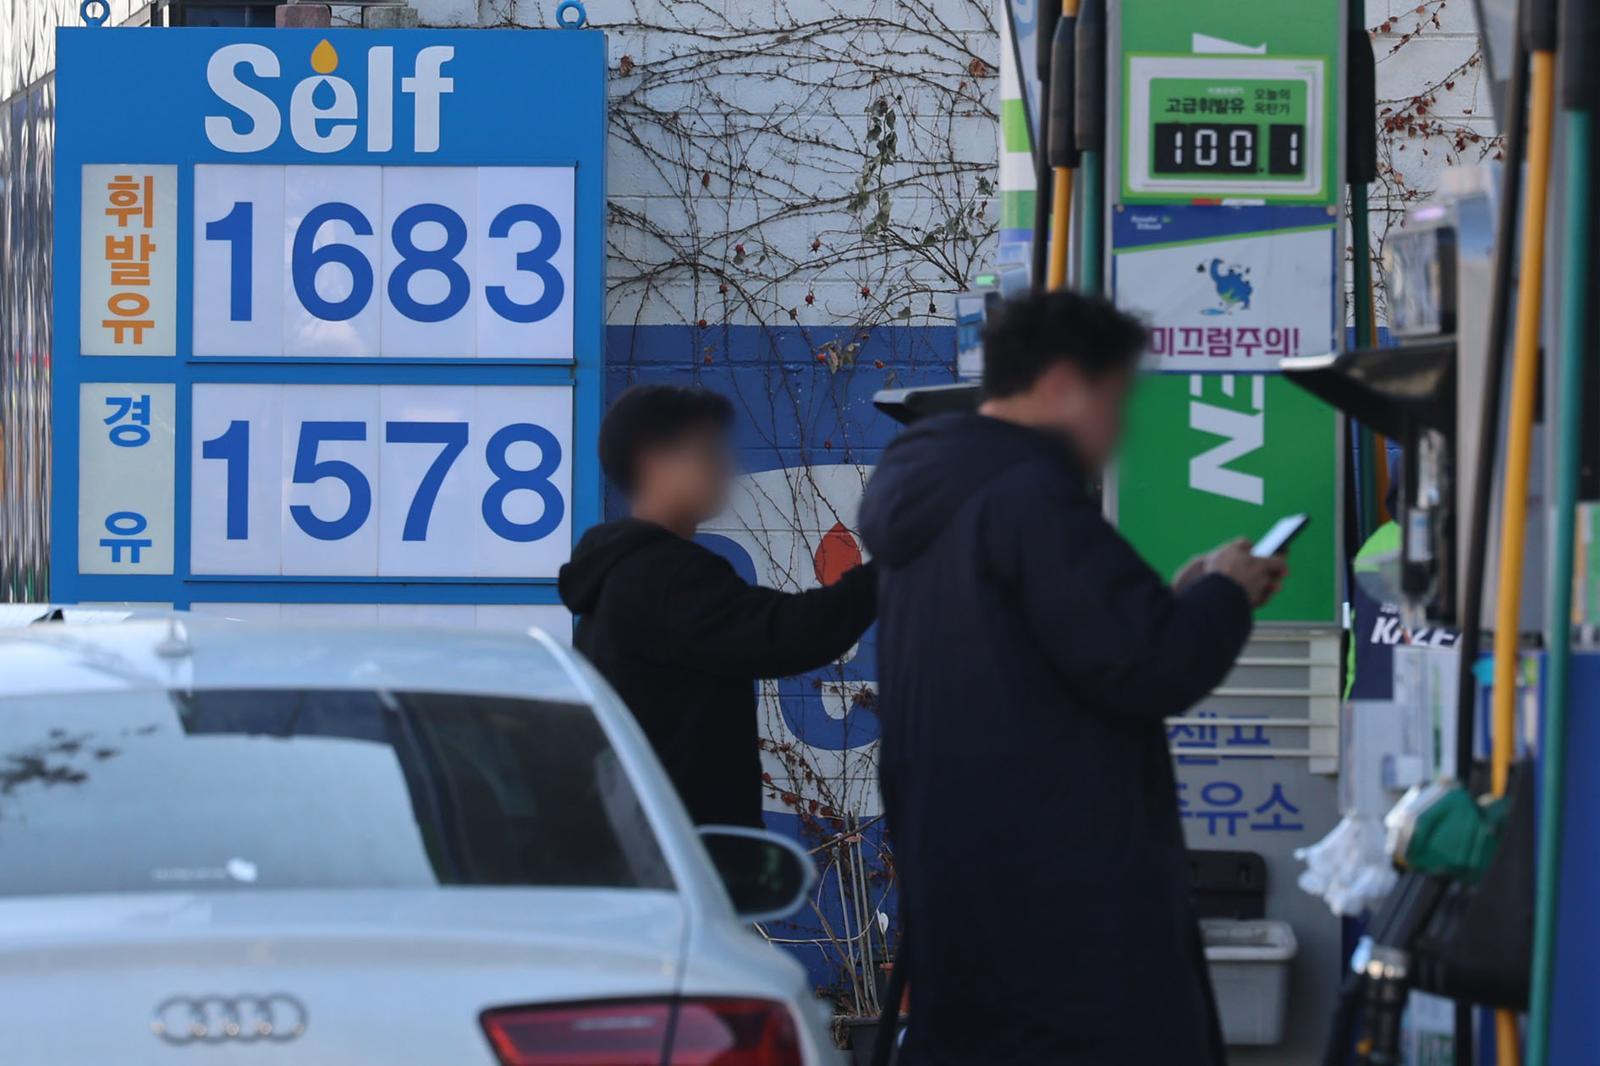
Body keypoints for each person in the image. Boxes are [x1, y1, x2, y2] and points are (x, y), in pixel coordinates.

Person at [858, 291, 1287, 1065]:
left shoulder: (935, 484)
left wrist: (1183, 601)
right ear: (1061, 382)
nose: (1119, 428)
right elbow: (1149, 667)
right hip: (1064, 898)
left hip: (965, 874)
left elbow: (1063, 649)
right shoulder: (1029, 498)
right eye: (1115, 398)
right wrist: (1226, 592)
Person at [558, 384, 878, 828]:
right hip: (681, 860)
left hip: (650, 847)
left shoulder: (619, 571)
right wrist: (888, 571)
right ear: (655, 462)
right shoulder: (663, 576)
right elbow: (784, 634)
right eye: (707, 453)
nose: (725, 466)